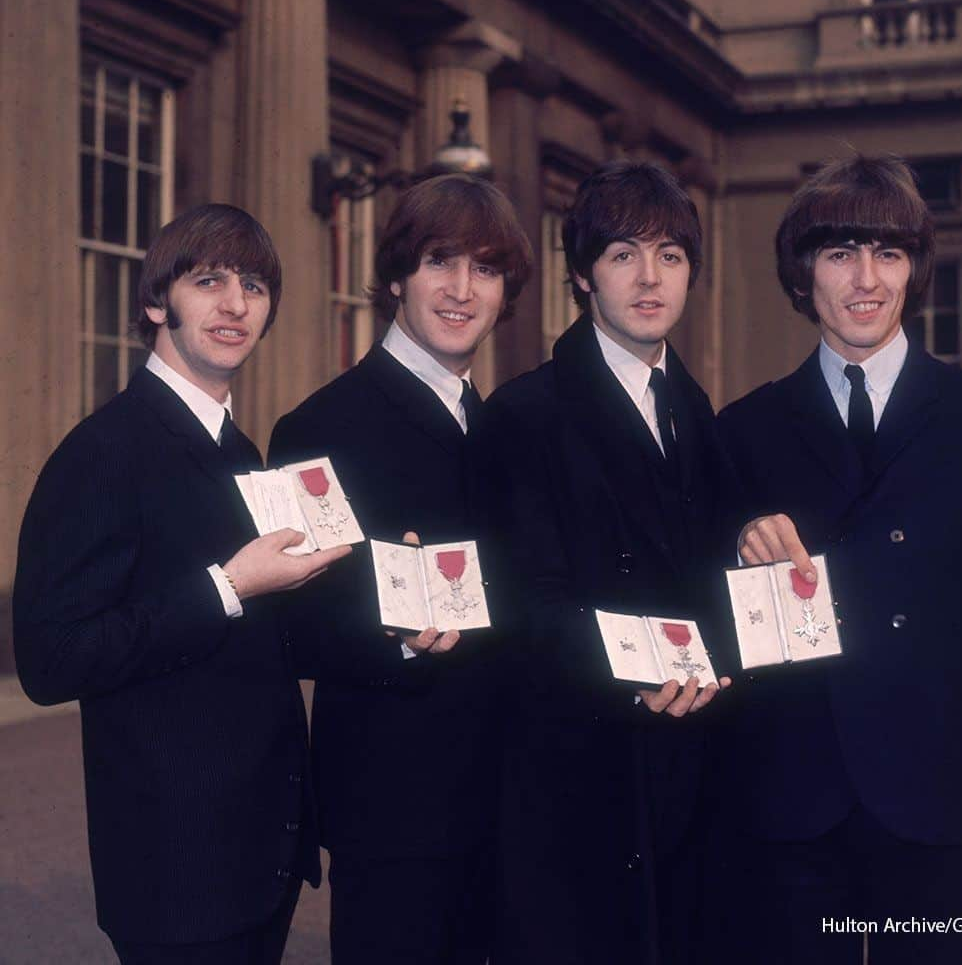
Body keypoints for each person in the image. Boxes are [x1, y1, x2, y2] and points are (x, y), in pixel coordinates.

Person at [714, 153, 962, 964]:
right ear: (804, 274)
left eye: (889, 253)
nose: (866, 278)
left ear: (914, 268)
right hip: (790, 801)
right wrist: (735, 549)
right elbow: (712, 605)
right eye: (840, 253)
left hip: (935, 793)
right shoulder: (744, 430)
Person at [13, 204, 350, 964]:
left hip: (259, 855)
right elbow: (48, 659)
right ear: (156, 303)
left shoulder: (240, 449)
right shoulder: (102, 452)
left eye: (256, 285)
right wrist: (227, 584)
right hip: (177, 875)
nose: (236, 304)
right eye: (210, 280)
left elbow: (254, 643)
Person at [470, 161, 745, 965]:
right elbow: (527, 605)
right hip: (578, 773)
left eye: (670, 254)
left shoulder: (696, 410)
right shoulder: (524, 415)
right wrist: (653, 663)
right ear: (584, 274)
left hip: (688, 766)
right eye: (624, 253)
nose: (650, 277)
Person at [268, 173, 533, 965]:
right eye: (439, 262)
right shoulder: (319, 426)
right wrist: (403, 638)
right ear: (394, 277)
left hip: (506, 805)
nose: (461, 290)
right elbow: (294, 628)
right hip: (392, 807)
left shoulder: (508, 431)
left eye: (485, 269)